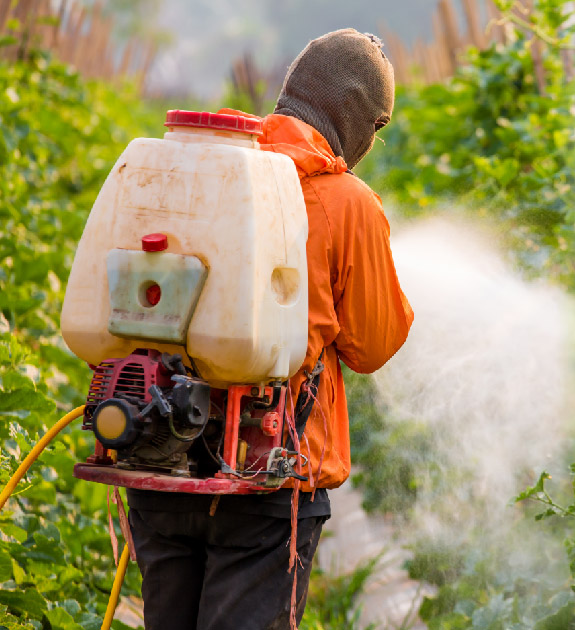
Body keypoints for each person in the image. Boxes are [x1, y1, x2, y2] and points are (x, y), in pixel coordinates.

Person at [126, 29, 414, 630]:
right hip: (268, 481)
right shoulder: (346, 202)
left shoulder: (203, 167)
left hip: (162, 452)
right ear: (361, 118)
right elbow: (373, 343)